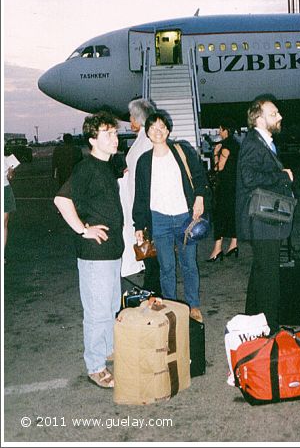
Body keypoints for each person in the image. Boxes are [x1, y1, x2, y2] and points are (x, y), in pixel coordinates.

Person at [54, 111, 124, 389]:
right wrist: (84, 229)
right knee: (97, 312)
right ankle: (95, 366)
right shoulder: (87, 168)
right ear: (93, 139)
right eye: (108, 133)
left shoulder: (107, 165)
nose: (115, 138)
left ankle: (107, 349)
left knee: (109, 306)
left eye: (115, 132)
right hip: (95, 255)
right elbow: (61, 200)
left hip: (111, 252)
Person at [133, 112, 209, 323]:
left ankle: (193, 306)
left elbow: (200, 176)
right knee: (166, 268)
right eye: (153, 128)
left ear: (168, 130)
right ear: (147, 132)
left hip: (185, 217)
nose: (158, 131)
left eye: (162, 127)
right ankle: (171, 307)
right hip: (159, 220)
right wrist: (138, 225)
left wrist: (199, 198)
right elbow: (140, 196)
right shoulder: (144, 162)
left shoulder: (181, 151)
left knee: (189, 264)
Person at [236, 95, 294, 335]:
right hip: (261, 220)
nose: (279, 117)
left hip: (262, 220)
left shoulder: (262, 140)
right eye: (273, 114)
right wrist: (282, 176)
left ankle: (252, 319)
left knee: (261, 270)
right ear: (258, 118)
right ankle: (271, 328)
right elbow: (248, 178)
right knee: (270, 274)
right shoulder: (253, 142)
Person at [118, 99, 161, 295]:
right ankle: (152, 285)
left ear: (138, 118)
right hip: (138, 200)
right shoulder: (141, 139)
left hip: (145, 202)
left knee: (149, 246)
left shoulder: (147, 140)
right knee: (147, 246)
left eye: (131, 117)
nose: (129, 121)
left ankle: (154, 288)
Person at [207, 118, 240, 261]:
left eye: (220, 129)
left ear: (225, 130)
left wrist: (215, 154)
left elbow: (219, 168)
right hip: (235, 185)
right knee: (232, 214)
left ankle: (217, 249)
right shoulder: (236, 144)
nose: (219, 132)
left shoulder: (224, 146)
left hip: (224, 186)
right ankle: (233, 245)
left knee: (219, 215)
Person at [4, 153, 19, 260]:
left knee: (3, 224)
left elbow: (10, 176)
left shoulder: (5, 159)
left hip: (5, 189)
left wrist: (10, 172)